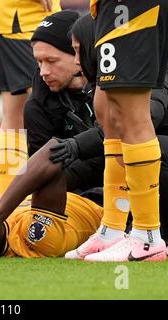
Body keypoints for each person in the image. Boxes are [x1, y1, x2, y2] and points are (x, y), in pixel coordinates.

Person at [61, 1, 168, 262]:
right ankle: (112, 228)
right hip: (109, 7)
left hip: (131, 5)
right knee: (107, 107)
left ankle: (147, 236)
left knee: (130, 110)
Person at [0, 0, 62, 197]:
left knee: (17, 109)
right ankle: (10, 200)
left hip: (39, 16)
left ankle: (7, 201)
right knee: (40, 105)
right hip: (19, 20)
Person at [23, 10, 104, 192]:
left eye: (51, 61)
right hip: (78, 196)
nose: (43, 71)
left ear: (78, 53)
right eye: (39, 61)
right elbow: (44, 177)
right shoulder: (37, 105)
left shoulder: (111, 83)